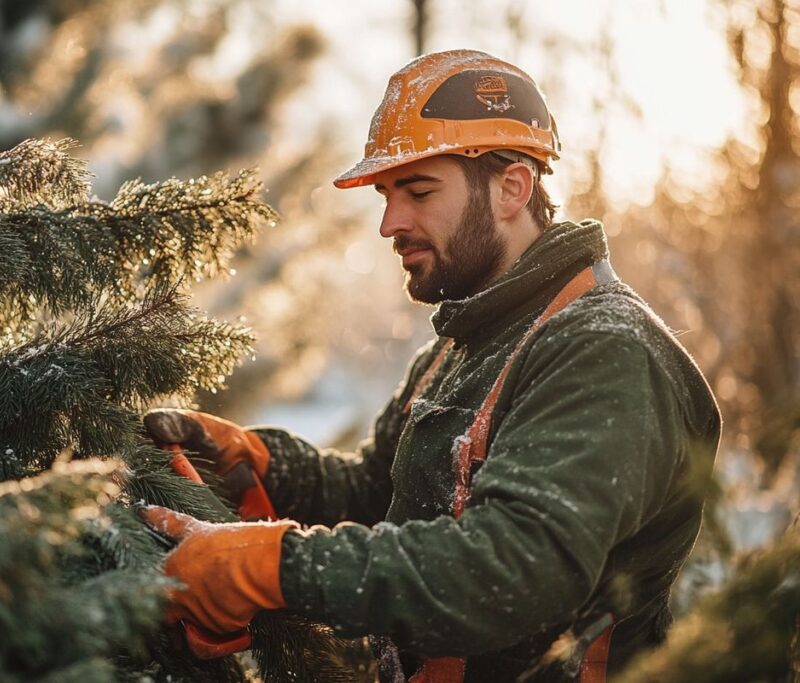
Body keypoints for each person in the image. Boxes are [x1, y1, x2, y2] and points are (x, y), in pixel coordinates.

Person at [141, 49, 721, 682]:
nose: (391, 222)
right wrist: (260, 464)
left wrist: (275, 566)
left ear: (512, 189)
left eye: (418, 191)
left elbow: (511, 572)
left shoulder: (604, 350)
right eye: (388, 195)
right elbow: (380, 492)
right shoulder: (470, 337)